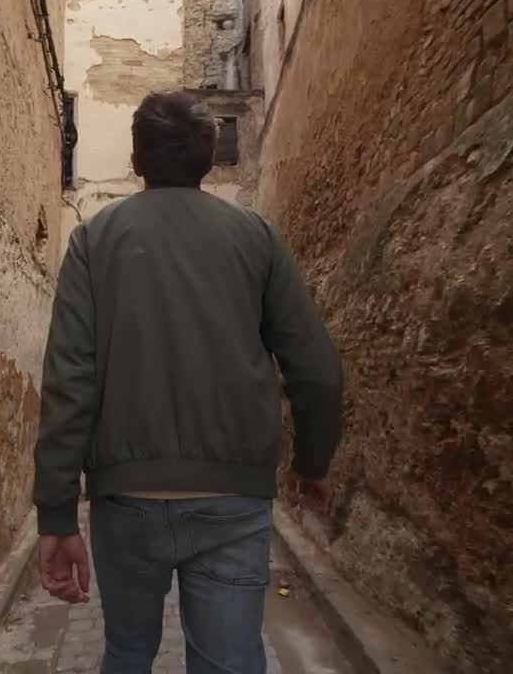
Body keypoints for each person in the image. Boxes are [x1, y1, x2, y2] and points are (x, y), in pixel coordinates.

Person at [32, 91, 343, 673]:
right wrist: (312, 463)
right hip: (233, 497)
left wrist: (56, 513)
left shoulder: (93, 241)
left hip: (125, 500)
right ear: (209, 153)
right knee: (228, 660)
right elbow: (315, 368)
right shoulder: (257, 239)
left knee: (126, 651)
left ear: (136, 157)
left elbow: (69, 379)